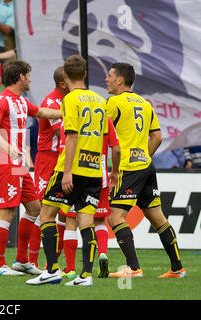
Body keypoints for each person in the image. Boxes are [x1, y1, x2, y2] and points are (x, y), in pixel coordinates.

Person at [27, 55, 108, 287]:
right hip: (94, 168)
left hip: (70, 169)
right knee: (86, 221)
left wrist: (69, 172)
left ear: (65, 76)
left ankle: (52, 269)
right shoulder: (99, 100)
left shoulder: (70, 99)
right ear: (84, 74)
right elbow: (102, 137)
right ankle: (86, 276)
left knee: (47, 215)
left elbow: (71, 135)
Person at [105, 62, 186, 279]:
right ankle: (177, 268)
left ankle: (133, 268)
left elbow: (101, 131)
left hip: (128, 167)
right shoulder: (145, 103)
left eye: (110, 75)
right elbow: (157, 137)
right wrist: (144, 157)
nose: (107, 79)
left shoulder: (114, 103)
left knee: (115, 217)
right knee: (158, 217)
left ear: (120, 80)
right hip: (146, 165)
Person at [0, 60, 62, 276]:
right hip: (6, 161)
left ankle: (21, 260)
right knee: (7, 212)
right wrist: (8, 147)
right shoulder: (1, 101)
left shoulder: (20, 101)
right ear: (20, 77)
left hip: (18, 164)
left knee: (34, 208)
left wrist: (68, 110)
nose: (30, 79)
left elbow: (43, 113)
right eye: (28, 75)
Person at [58, 116, 120, 279]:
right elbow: (116, 148)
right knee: (99, 220)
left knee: (71, 221)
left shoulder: (72, 117)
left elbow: (63, 146)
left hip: (78, 168)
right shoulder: (104, 118)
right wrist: (114, 171)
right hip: (100, 171)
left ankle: (70, 269)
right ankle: (103, 254)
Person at [28, 66, 69, 268]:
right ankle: (32, 261)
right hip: (48, 159)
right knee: (45, 210)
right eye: (72, 79)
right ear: (62, 83)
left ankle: (51, 263)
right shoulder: (51, 102)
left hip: (64, 158)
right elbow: (61, 134)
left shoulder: (70, 100)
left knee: (64, 212)